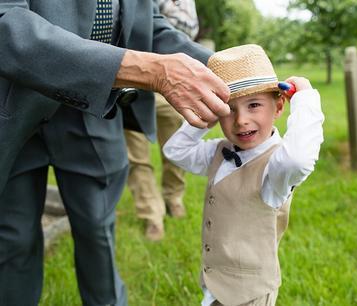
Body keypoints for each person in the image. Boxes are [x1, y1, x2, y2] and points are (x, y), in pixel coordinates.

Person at [0, 1, 230, 305]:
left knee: (98, 233)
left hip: (95, 107)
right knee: (13, 241)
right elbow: (6, 21)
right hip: (15, 105)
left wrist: (233, 74)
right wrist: (149, 70)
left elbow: (150, 26)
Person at [163, 44, 325, 306]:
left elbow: (299, 159)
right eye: (228, 109)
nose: (240, 120)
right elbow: (175, 150)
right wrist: (207, 113)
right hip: (216, 285)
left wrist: (305, 98)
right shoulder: (218, 151)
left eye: (254, 105)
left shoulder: (276, 167)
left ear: (278, 106)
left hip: (249, 294)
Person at [124, 0, 200, 242]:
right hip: (134, 81)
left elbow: (187, 35)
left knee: (176, 149)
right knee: (136, 157)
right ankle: (151, 215)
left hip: (173, 88)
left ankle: (173, 198)